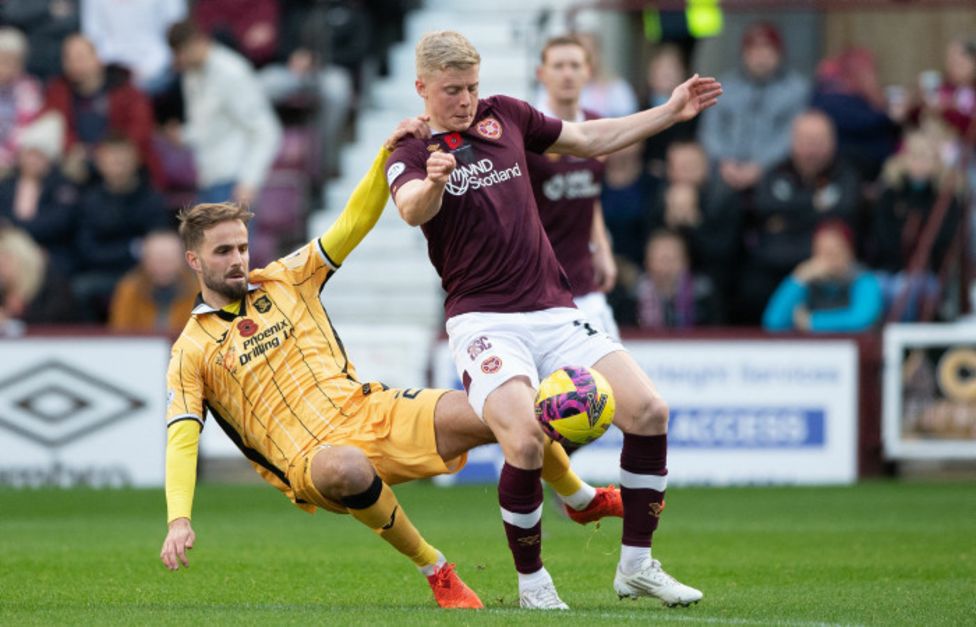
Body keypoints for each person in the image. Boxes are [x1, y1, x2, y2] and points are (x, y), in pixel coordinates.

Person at [159, 119, 619, 609]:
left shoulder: (284, 280)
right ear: (194, 261)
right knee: (350, 466)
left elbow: (352, 224)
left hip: (373, 410)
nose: (237, 259)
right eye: (223, 251)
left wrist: (384, 158)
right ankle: (437, 569)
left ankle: (579, 498)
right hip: (311, 460)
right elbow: (183, 437)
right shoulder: (192, 349)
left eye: (243, 246)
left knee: (509, 411)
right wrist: (179, 519)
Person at [386, 30, 720, 609]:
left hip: (554, 309)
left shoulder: (506, 117)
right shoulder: (409, 151)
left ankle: (636, 566)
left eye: (471, 87)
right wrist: (435, 180)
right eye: (451, 91)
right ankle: (534, 584)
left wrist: (668, 112)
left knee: (648, 409)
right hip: (484, 320)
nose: (465, 100)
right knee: (524, 439)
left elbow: (588, 138)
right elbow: (411, 208)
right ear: (421, 88)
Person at [528, 35, 618, 339]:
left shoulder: (597, 128)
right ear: (542, 73)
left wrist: (602, 248)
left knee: (615, 382)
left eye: (574, 65)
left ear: (587, 72)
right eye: (558, 66)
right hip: (535, 289)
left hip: (584, 283)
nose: (567, 73)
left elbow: (590, 193)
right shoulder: (525, 132)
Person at [736, 110, 861, 325]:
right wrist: (815, 207)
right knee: (749, 285)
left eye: (819, 141)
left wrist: (788, 217)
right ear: (792, 141)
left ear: (833, 142)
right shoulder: (775, 172)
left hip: (828, 265)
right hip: (773, 264)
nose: (812, 149)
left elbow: (844, 212)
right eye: (806, 141)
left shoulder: (846, 175)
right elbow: (765, 207)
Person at [166, 18, 282, 206]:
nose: (180, 60)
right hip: (207, 179)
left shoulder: (232, 72)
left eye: (182, 53)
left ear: (198, 42)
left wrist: (249, 181)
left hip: (234, 182)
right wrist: (184, 136)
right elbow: (208, 126)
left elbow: (266, 130)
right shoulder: (191, 75)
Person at [697, 21, 809, 195]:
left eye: (767, 50)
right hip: (724, 170)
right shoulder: (723, 86)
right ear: (744, 54)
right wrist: (725, 163)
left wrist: (760, 166)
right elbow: (710, 130)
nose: (761, 57)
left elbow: (791, 135)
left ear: (780, 54)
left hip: (776, 170)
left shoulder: (796, 89)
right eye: (754, 51)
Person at [73, 132, 170, 321]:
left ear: (136, 160)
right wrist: (131, 250)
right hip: (101, 272)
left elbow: (157, 244)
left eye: (123, 159)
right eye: (112, 159)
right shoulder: (89, 201)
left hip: (144, 273)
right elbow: (86, 250)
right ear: (100, 162)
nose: (118, 164)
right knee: (79, 289)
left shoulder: (151, 199)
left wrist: (136, 253)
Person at [44, 34, 163, 187]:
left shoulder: (126, 91)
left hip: (121, 165)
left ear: (97, 58)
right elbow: (53, 125)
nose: (75, 64)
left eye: (80, 57)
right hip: (79, 166)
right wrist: (71, 149)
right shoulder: (58, 92)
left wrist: (109, 154)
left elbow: (140, 131)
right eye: (69, 58)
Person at [762, 220, 882, 333]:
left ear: (849, 251)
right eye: (822, 252)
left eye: (835, 251)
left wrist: (813, 322)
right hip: (813, 352)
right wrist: (797, 279)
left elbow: (861, 320)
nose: (829, 258)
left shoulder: (863, 279)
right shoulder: (806, 282)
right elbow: (773, 323)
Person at [0, 112, 80, 279]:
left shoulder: (62, 186)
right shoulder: (6, 184)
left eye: (40, 156)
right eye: (30, 154)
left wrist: (13, 227)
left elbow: (58, 223)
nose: (33, 161)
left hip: (50, 251)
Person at [108, 229, 197, 333]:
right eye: (156, 260)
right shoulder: (130, 289)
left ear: (183, 260)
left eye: (168, 260)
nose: (162, 266)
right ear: (144, 261)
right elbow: (119, 330)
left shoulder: (199, 291)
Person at [634, 229, 719, 329]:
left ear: (686, 262)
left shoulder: (705, 296)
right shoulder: (632, 298)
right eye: (660, 259)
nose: (666, 266)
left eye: (672, 259)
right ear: (647, 262)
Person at [0, 226, 76, 326]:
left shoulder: (50, 282)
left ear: (23, 258)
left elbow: (54, 320)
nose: (2, 266)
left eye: (6, 259)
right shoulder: (4, 287)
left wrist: (16, 314)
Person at [0, 27, 44, 176]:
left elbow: (25, 129)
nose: (8, 66)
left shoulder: (29, 88)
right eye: (4, 60)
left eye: (14, 61)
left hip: (16, 163)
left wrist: (6, 160)